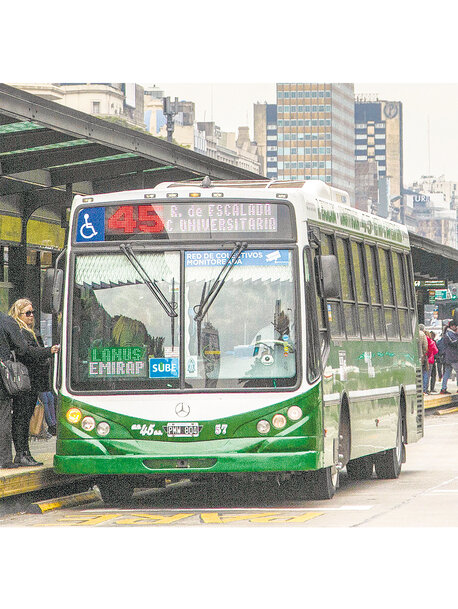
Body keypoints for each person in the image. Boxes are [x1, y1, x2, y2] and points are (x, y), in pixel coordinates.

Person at [8, 299, 59, 467]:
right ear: (18, 314)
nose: (31, 316)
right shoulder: (19, 331)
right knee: (21, 418)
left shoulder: (29, 331)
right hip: (24, 381)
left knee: (25, 416)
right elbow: (27, 352)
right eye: (27, 313)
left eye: (33, 312)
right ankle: (22, 453)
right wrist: (48, 351)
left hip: (32, 381)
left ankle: (25, 453)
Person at [440, 320, 458, 394]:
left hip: (449, 357)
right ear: (452, 326)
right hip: (453, 357)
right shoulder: (449, 334)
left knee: (447, 373)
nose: (456, 327)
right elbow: (453, 343)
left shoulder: (451, 334)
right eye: (455, 326)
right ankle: (444, 388)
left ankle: (443, 388)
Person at [419, 324, 429, 394]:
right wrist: (424, 354)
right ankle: (423, 389)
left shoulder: (413, 332)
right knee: (424, 373)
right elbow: (425, 346)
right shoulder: (422, 334)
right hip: (421, 357)